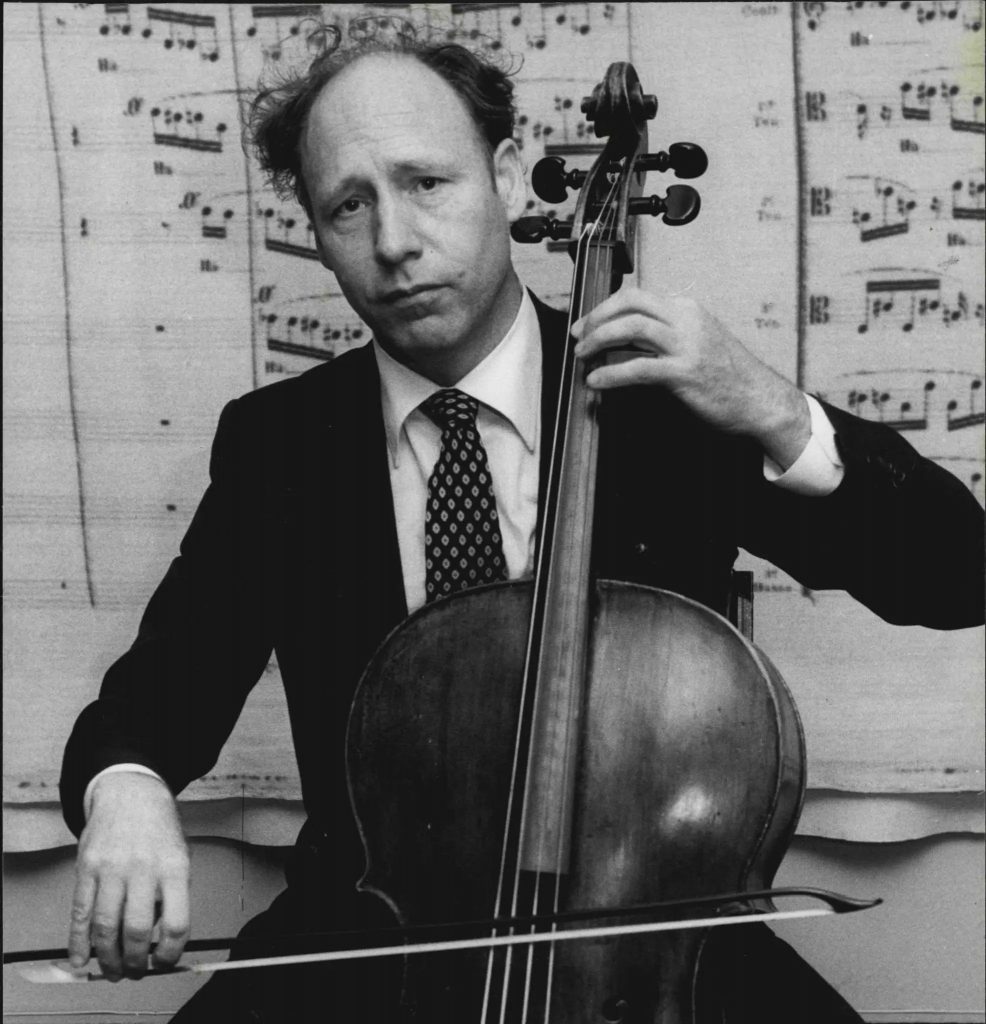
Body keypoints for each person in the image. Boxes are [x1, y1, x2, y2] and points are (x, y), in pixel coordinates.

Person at [59, 28, 984, 1023]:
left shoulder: (665, 402)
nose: (394, 242)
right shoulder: (282, 444)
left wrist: (772, 407)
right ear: (316, 231)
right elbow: (157, 696)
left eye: (426, 183)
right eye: (348, 205)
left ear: (504, 175)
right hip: (372, 933)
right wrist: (127, 785)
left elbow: (955, 575)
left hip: (655, 940)